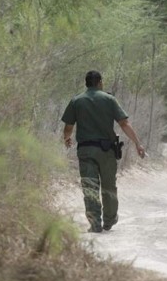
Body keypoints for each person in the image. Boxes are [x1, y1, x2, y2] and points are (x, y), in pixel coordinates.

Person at [62, 70, 146, 233]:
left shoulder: (76, 101)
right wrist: (137, 144)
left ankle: (95, 223)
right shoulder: (109, 99)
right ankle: (109, 220)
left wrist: (67, 138)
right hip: (106, 151)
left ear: (86, 83)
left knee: (90, 187)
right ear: (100, 82)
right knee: (109, 187)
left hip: (85, 150)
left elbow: (68, 127)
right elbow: (124, 124)